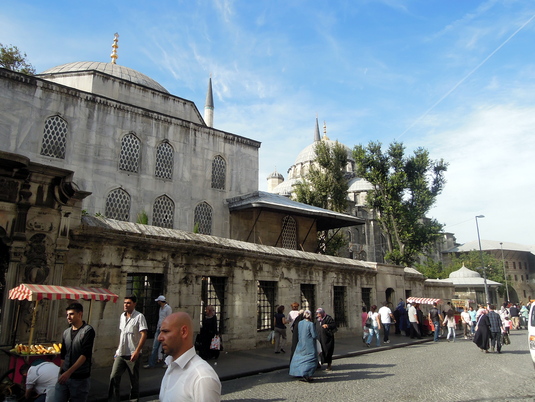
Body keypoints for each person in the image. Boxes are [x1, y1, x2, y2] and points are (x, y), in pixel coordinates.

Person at [158, 312, 221, 402]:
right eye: (160, 332)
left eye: (166, 331)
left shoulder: (202, 377)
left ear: (183, 332)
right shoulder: (170, 365)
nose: (159, 338)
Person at [108, 295, 148, 402]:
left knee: (134, 380)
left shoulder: (139, 317)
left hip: (132, 353)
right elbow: (122, 335)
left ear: (134, 304)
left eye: (129, 303)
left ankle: (134, 400)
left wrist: (137, 351)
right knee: (113, 377)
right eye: (125, 303)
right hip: (121, 353)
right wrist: (117, 351)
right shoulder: (122, 316)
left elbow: (144, 334)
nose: (126, 305)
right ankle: (113, 399)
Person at [55, 302, 95, 402]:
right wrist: (61, 373)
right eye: (67, 315)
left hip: (79, 378)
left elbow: (85, 355)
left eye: (71, 314)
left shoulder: (87, 331)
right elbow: (63, 355)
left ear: (80, 314)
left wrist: (69, 372)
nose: (68, 317)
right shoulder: (66, 332)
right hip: (64, 377)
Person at [289, 310, 318, 383]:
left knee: (301, 359)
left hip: (301, 343)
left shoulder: (300, 323)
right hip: (309, 344)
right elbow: (314, 335)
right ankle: (308, 374)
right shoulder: (310, 324)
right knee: (311, 359)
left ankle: (299, 372)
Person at [144, 295, 172, 369]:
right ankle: (151, 363)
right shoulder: (160, 308)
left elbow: (169, 319)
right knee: (155, 346)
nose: (157, 302)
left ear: (160, 301)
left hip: (165, 329)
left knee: (166, 346)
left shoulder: (168, 308)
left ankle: (167, 362)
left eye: (158, 301)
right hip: (159, 329)